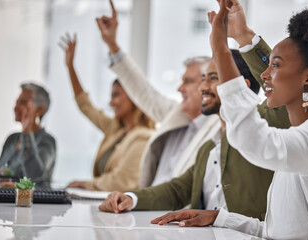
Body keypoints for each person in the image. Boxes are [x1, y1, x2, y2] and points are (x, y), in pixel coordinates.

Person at [150, 1, 308, 239]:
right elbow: (274, 232)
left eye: (275, 65)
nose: (265, 74)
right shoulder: (300, 138)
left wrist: (221, 50)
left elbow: (256, 141)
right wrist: (220, 217)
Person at [98, 50, 291, 220]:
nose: (202, 87)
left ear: (242, 86)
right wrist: (130, 198)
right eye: (203, 78)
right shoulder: (209, 147)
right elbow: (177, 189)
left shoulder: (264, 133)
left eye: (213, 78)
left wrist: (245, 37)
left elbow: (280, 85)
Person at [96, 0, 221, 188]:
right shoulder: (177, 114)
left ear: (208, 84)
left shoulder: (218, 128)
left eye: (187, 81)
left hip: (174, 214)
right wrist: (113, 45)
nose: (180, 89)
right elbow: (143, 92)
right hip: (147, 206)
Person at [59, 34, 155, 192]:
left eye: (116, 95)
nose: (111, 102)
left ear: (134, 98)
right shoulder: (115, 129)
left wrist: (86, 184)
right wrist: (70, 66)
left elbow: (120, 182)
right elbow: (85, 106)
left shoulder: (145, 137)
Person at [0, 83, 56, 188]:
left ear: (39, 110)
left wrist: (27, 133)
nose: (15, 107)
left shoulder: (46, 141)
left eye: (22, 102)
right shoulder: (12, 139)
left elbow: (35, 177)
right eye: (16, 102)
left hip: (30, 202)